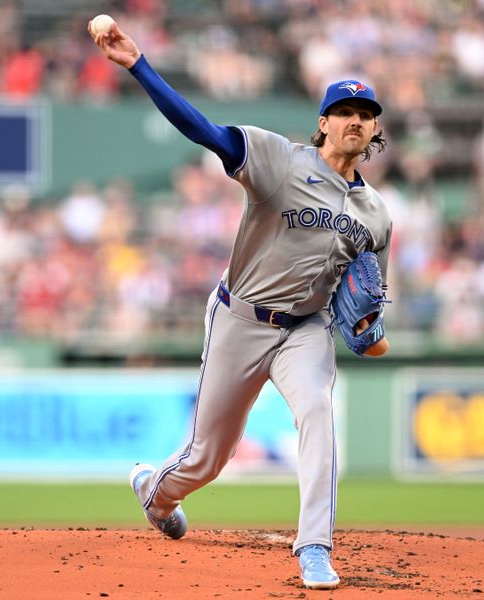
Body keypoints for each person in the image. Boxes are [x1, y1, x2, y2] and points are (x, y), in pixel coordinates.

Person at [89, 19, 392, 591]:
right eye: (345, 110)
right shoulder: (280, 160)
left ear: (374, 128)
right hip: (239, 319)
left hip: (305, 330)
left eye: (367, 112)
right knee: (209, 456)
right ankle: (155, 494)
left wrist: (372, 331)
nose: (357, 119)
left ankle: (316, 549)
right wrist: (138, 66)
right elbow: (201, 129)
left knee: (319, 413)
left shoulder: (377, 214)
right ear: (323, 123)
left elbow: (369, 301)